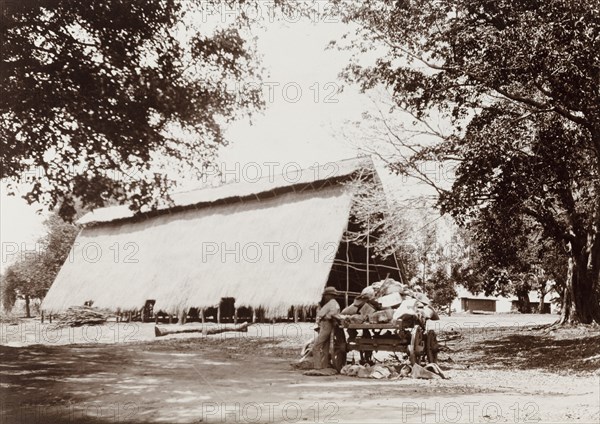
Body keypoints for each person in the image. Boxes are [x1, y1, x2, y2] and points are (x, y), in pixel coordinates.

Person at [313, 286, 340, 369]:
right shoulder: (331, 303)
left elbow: (333, 314)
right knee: (325, 347)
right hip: (324, 324)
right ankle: (324, 366)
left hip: (327, 324)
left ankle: (317, 366)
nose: (324, 297)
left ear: (330, 295)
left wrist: (325, 317)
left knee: (316, 346)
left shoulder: (332, 303)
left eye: (326, 295)